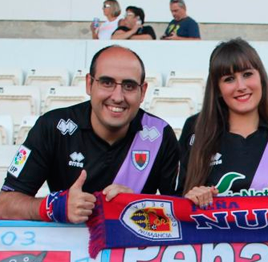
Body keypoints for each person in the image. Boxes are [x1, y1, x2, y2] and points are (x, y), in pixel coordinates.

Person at [0, 46, 180, 223]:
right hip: (65, 241)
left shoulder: (160, 135)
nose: (117, 97)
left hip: (130, 242)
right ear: (89, 83)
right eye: (107, 83)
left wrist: (139, 207)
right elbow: (5, 203)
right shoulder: (53, 127)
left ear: (143, 91)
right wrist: (54, 207)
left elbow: (181, 215)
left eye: (129, 86)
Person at [181, 38, 268, 207]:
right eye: (229, 79)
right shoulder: (196, 130)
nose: (240, 86)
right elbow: (175, 204)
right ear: (217, 89)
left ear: (261, 78)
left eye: (247, 74)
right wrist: (190, 198)